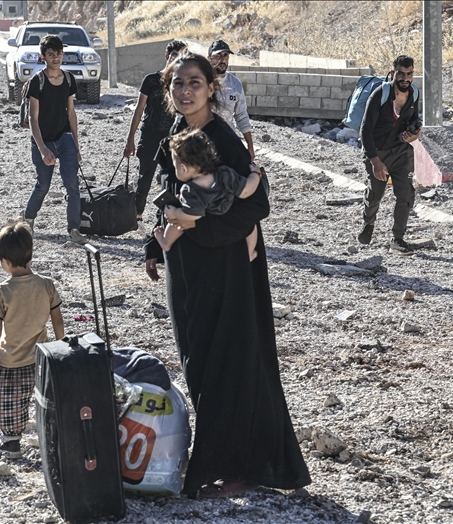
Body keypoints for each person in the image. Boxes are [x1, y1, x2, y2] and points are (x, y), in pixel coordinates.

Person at [145, 52, 310, 498]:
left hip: (228, 272)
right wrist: (153, 246)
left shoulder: (222, 137)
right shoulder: (178, 133)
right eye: (177, 84)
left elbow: (258, 205)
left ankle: (238, 467)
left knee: (231, 367)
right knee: (200, 366)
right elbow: (169, 194)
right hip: (190, 273)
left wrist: (199, 227)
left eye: (194, 83)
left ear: (211, 88)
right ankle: (223, 459)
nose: (185, 91)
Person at [0, 222, 64, 458]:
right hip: (42, 357)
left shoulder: (1, 291)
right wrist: (61, 349)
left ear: (6, 262)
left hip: (11, 360)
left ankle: (11, 443)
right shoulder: (46, 285)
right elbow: (58, 321)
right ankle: (52, 440)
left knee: (10, 404)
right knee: (44, 400)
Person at [153, 128, 262, 261]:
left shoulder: (190, 189)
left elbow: (193, 215)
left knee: (178, 223)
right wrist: (255, 174)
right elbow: (246, 190)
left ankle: (166, 242)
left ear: (184, 168)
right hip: (231, 224)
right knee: (251, 225)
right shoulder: (225, 174)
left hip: (210, 231)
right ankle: (250, 252)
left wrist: (174, 212)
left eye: (176, 166)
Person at [22, 35, 87, 245]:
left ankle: (74, 229)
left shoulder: (68, 79)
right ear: (43, 57)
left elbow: (71, 112)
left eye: (58, 53)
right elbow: (33, 117)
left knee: (72, 185)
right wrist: (42, 149)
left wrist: (76, 144)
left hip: (64, 137)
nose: (56, 58)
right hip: (43, 139)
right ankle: (28, 218)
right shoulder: (37, 81)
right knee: (43, 185)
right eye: (51, 54)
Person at [357, 55, 422, 255]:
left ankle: (398, 239)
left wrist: (414, 134)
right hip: (377, 152)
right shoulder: (380, 94)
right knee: (376, 193)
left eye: (409, 74)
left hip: (401, 152)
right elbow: (365, 130)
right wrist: (375, 161)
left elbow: (415, 121)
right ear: (393, 73)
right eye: (401, 73)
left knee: (406, 194)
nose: (405, 78)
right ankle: (368, 223)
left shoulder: (414, 94)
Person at [124, 38, 188, 230]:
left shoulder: (180, 83)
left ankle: (165, 219)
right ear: (167, 56)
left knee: (171, 180)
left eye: (182, 57)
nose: (178, 60)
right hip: (150, 135)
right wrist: (130, 140)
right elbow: (138, 110)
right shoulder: (151, 80)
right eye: (175, 55)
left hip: (172, 138)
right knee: (145, 178)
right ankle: (137, 216)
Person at [208, 39, 255, 162]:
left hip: (228, 142)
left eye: (225, 55)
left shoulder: (235, 84)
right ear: (209, 58)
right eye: (218, 55)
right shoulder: (201, 82)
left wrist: (250, 146)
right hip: (204, 143)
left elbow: (241, 116)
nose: (222, 60)